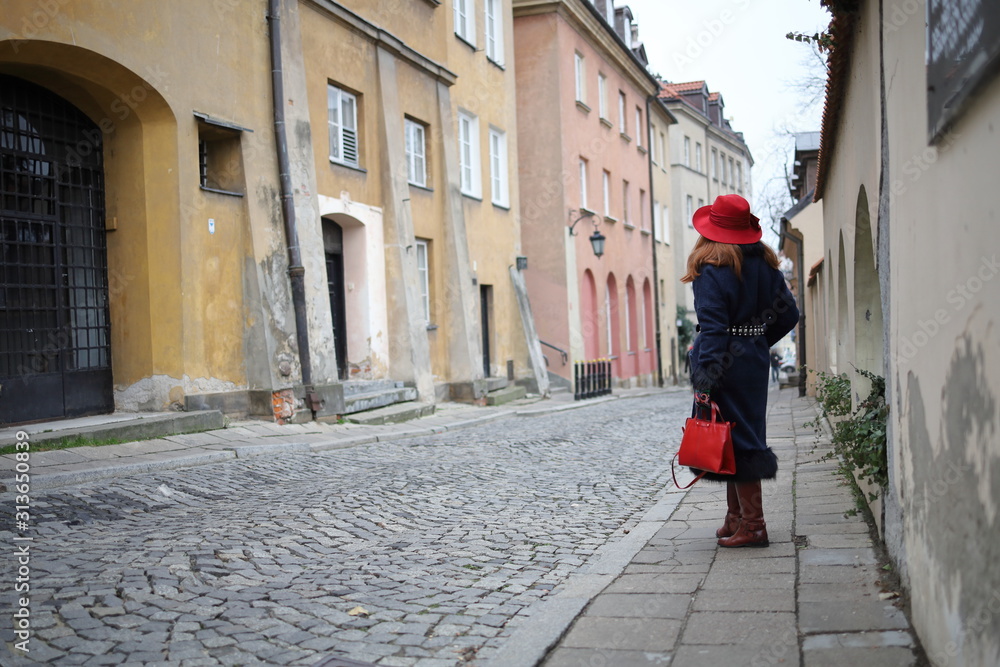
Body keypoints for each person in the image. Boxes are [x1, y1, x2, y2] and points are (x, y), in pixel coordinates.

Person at [681, 194, 799, 548]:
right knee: (736, 438)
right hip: (751, 362)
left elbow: (714, 329)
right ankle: (736, 518)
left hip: (721, 363)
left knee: (740, 441)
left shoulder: (711, 269)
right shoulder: (766, 265)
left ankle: (754, 525)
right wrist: (755, 340)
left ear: (711, 230)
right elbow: (789, 315)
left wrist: (706, 378)